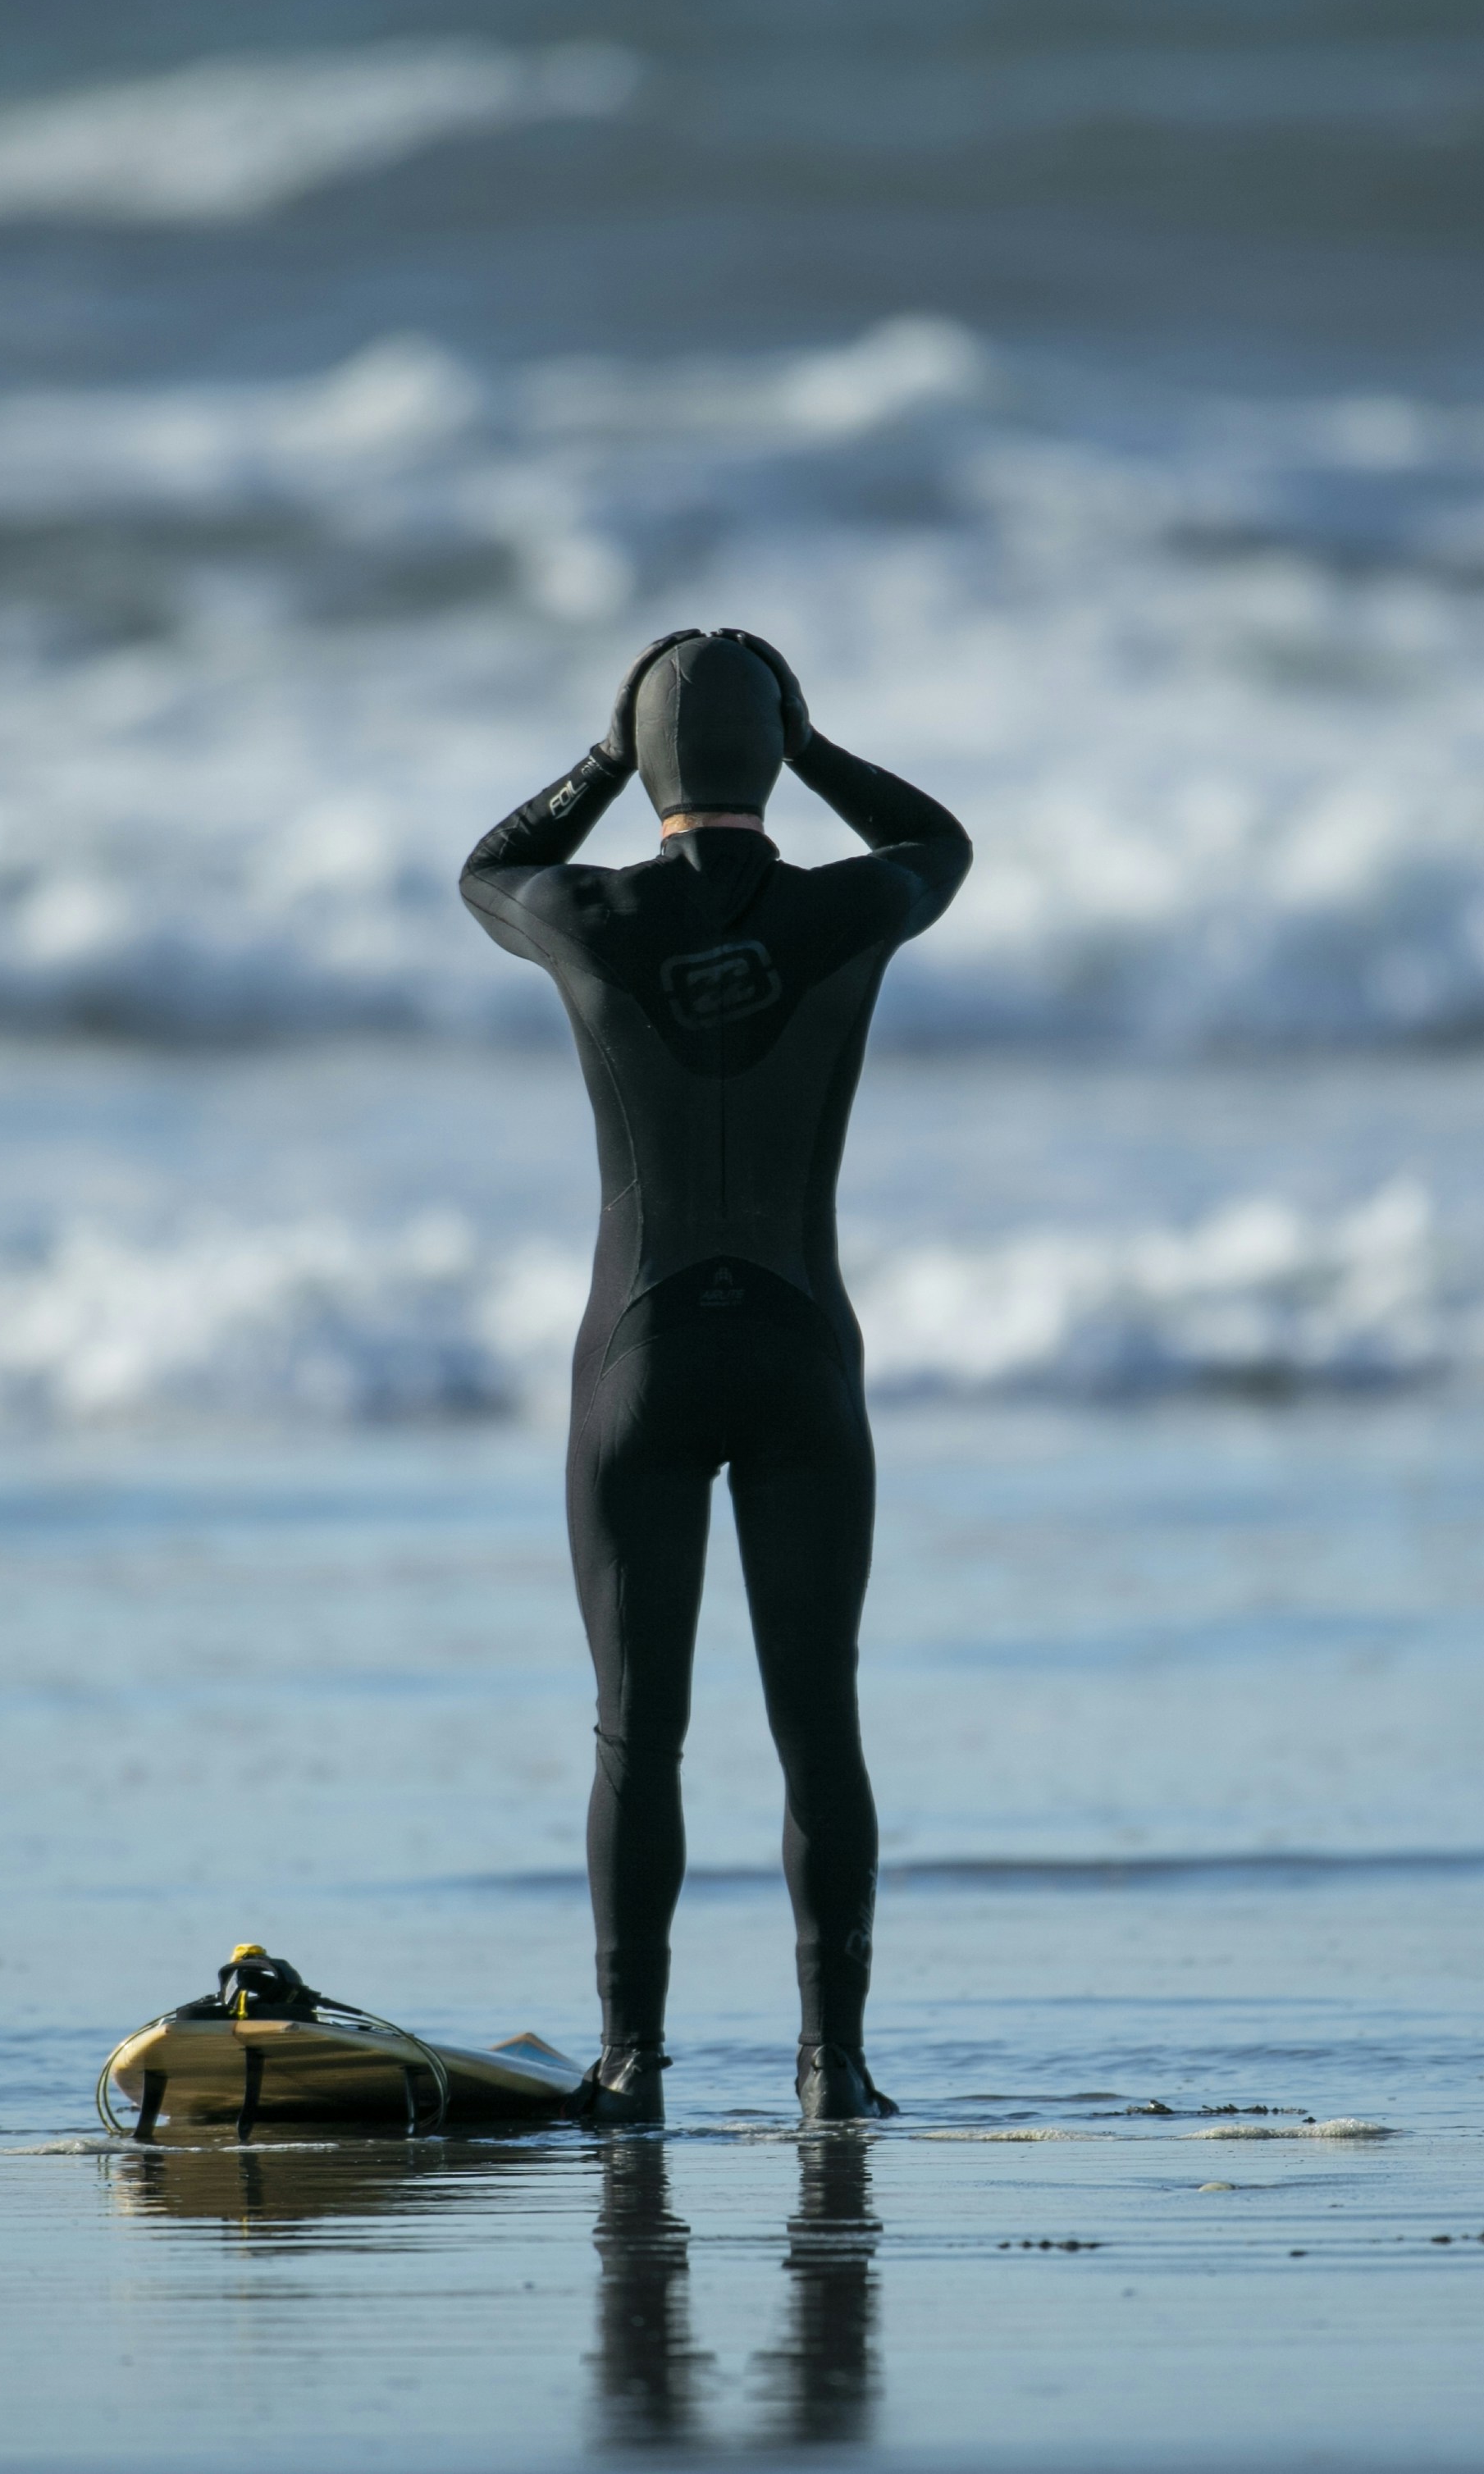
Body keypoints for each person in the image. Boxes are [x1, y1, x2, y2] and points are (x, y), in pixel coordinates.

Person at [460, 629, 970, 2123]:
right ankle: (835, 2067)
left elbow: (483, 868)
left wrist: (604, 757)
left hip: (640, 1359)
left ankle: (631, 2062)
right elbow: (935, 842)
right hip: (803, 1353)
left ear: (651, 766)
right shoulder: (852, 906)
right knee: (820, 1719)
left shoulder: (585, 909)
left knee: (638, 1725)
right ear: (766, 758)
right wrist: (815, 746)